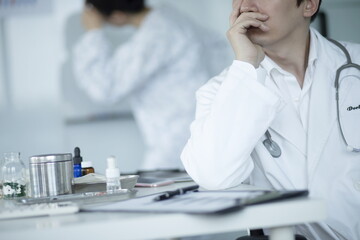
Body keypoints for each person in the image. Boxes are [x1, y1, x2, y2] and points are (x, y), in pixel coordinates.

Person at [181, 0, 360, 239]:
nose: (245, 5)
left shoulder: (354, 66)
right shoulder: (222, 90)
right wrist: (245, 64)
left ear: (308, 5)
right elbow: (213, 176)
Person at [73, 0, 230, 170]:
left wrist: (93, 33)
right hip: (194, 133)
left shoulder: (156, 34)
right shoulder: (170, 18)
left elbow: (105, 88)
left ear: (118, 16)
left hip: (177, 144)